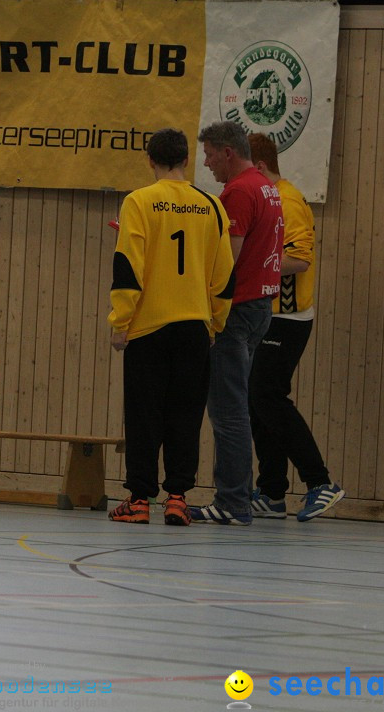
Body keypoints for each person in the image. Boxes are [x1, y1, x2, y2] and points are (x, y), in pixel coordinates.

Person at [106, 128, 235, 525]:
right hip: (194, 323)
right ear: (186, 160)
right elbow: (224, 273)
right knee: (186, 412)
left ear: (150, 160)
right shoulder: (211, 205)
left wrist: (119, 321)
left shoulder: (139, 202)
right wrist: (215, 320)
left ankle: (140, 499)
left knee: (145, 413)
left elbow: (129, 265)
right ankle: (178, 497)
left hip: (149, 326)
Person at [246, 133, 344, 522]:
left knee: (267, 394)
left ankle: (321, 482)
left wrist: (247, 267)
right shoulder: (264, 199)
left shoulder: (287, 201)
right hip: (263, 314)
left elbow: (299, 260)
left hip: (286, 317)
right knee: (257, 399)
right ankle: (271, 491)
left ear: (258, 167)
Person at [191, 121, 284, 525]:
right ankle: (236, 497)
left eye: (210, 154)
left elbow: (227, 259)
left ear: (227, 152)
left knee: (228, 411)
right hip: (261, 305)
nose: (207, 163)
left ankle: (232, 501)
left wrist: (208, 306)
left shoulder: (240, 191)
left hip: (238, 308)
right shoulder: (266, 185)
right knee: (237, 407)